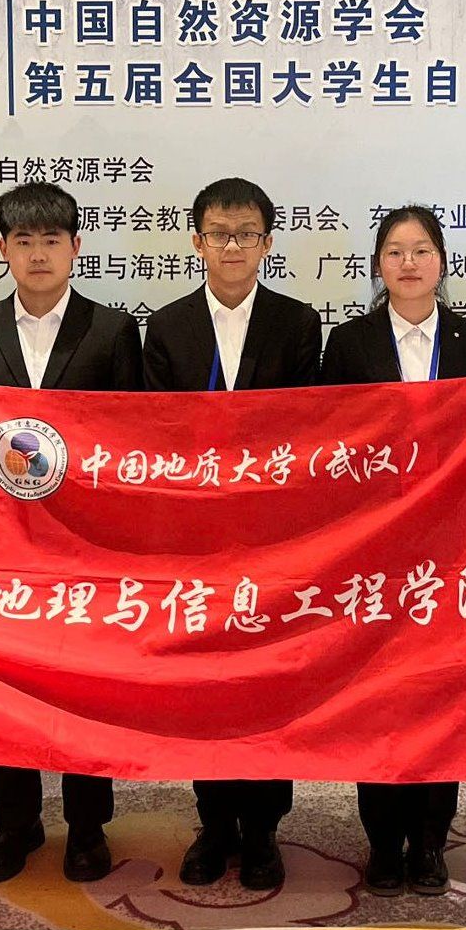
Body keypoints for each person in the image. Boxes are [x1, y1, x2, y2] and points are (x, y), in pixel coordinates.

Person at [0, 180, 142, 885]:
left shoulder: (113, 331)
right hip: (3, 547)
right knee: (10, 687)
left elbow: (132, 440)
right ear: (2, 249)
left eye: (51, 240)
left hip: (87, 545)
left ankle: (88, 827)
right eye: (23, 241)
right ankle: (15, 824)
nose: (37, 254)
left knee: (86, 688)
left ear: (76, 247)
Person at [142, 176, 321, 890]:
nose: (233, 246)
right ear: (197, 242)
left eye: (247, 234)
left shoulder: (298, 323)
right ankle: (214, 823)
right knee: (207, 684)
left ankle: (265, 829)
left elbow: (308, 426)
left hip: (276, 535)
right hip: (196, 536)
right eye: (219, 234)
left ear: (268, 242)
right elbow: (154, 429)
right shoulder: (168, 326)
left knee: (269, 682)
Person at [319, 205, 466, 896]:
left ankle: (430, 841)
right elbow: (332, 443)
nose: (409, 263)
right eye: (395, 251)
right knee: (380, 698)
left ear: (442, 261)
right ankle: (383, 842)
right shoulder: (349, 343)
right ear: (377, 266)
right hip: (374, 548)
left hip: (448, 550)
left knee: (440, 696)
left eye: (422, 250)